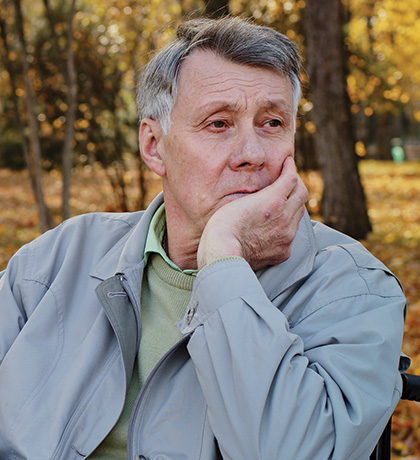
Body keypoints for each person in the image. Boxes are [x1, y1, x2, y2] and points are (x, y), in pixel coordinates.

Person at [0, 16, 408, 460]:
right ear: (155, 145)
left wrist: (223, 261)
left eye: (272, 123)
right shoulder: (55, 262)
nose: (252, 154)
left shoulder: (352, 288)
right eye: (219, 124)